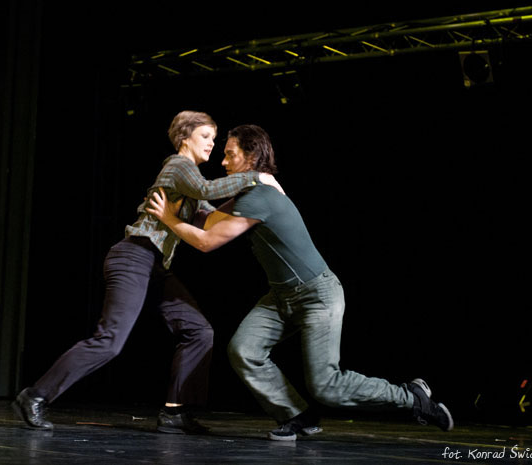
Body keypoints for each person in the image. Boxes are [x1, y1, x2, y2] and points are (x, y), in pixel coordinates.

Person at [146, 124, 454, 441]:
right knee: (244, 350)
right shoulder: (250, 195)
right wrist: (180, 195)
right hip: (281, 297)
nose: (223, 162)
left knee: (326, 386)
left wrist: (168, 218)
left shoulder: (260, 197)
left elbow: (207, 240)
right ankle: (296, 416)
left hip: (317, 294)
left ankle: (412, 397)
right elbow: (207, 219)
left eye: (230, 154)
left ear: (250, 156)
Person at [12, 111, 279, 434]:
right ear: (185, 138)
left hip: (154, 267)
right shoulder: (178, 166)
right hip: (133, 257)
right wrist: (257, 178)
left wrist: (248, 198)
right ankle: (35, 396)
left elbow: (209, 219)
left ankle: (175, 412)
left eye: (214, 138)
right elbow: (206, 189)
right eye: (206, 136)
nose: (212, 144)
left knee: (199, 331)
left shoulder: (190, 183)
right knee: (111, 341)